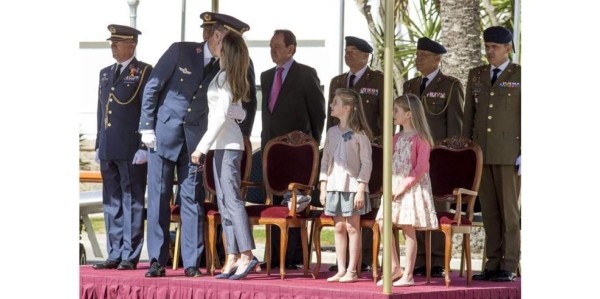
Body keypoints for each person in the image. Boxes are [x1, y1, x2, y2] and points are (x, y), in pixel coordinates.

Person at [139, 12, 250, 278]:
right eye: (230, 39)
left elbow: (237, 100)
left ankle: (191, 261)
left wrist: (240, 114)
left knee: (192, 200)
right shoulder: (181, 51)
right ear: (217, 35)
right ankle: (156, 259)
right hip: (164, 133)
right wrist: (146, 127)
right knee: (159, 197)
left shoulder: (228, 64)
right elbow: (153, 86)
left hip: (196, 141)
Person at [190, 31, 259, 280]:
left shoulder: (223, 78)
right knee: (224, 202)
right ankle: (232, 254)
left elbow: (219, 117)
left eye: (219, 43)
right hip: (224, 144)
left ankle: (247, 254)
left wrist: (201, 147)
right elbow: (238, 113)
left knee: (231, 200)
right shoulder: (227, 76)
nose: (215, 45)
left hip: (226, 145)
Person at [260, 29, 326, 269]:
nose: (273, 50)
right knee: (275, 203)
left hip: (299, 153)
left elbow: (318, 112)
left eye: (277, 46)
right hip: (272, 152)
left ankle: (295, 256)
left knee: (296, 204)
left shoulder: (305, 74)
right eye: (270, 46)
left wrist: (311, 145)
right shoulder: (266, 76)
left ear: (291, 48)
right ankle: (275, 256)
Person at [402, 37, 464, 278]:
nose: (418, 59)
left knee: (436, 207)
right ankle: (415, 258)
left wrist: (449, 159)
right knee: (412, 207)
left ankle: (436, 259)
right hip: (410, 157)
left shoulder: (450, 85)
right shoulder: (409, 86)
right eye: (417, 55)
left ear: (438, 59)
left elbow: (455, 126)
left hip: (436, 158)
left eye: (424, 55)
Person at [92, 24, 152, 271]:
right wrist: (98, 143)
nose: (113, 47)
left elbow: (147, 110)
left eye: (118, 42)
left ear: (132, 44)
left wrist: (143, 146)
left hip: (131, 148)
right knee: (112, 203)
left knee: (132, 201)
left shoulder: (144, 72)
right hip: (109, 147)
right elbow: (100, 110)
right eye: (112, 42)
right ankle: (114, 253)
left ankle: (130, 253)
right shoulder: (105, 73)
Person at [464, 26, 521, 283]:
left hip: (510, 155)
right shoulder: (476, 75)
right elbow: (469, 117)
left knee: (509, 213)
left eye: (494, 47)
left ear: (507, 48)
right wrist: (467, 151)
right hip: (482, 154)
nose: (489, 51)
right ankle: (492, 263)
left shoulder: (520, 75)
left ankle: (509, 264)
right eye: (487, 46)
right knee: (489, 212)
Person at [326, 36, 383, 273]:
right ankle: (343, 263)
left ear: (365, 56)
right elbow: (331, 118)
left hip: (368, 148)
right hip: (340, 153)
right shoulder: (338, 81)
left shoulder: (378, 80)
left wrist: (382, 146)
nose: (347, 55)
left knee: (363, 210)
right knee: (341, 219)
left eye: (353, 52)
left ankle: (365, 258)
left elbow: (383, 117)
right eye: (346, 51)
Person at [375, 94, 438, 287]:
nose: (393, 114)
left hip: (412, 188)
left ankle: (409, 274)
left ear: (409, 114)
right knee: (382, 223)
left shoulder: (422, 139)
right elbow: (389, 162)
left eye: (396, 111)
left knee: (408, 229)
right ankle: (395, 266)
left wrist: (404, 186)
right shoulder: (396, 137)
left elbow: (420, 168)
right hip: (394, 186)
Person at [319, 88, 373, 283]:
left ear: (347, 108)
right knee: (339, 227)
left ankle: (352, 269)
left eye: (335, 103)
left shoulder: (360, 134)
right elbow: (325, 160)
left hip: (352, 187)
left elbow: (367, 163)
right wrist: (323, 186)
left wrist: (360, 189)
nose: (331, 106)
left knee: (352, 227)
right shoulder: (332, 133)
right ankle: (341, 268)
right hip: (334, 184)